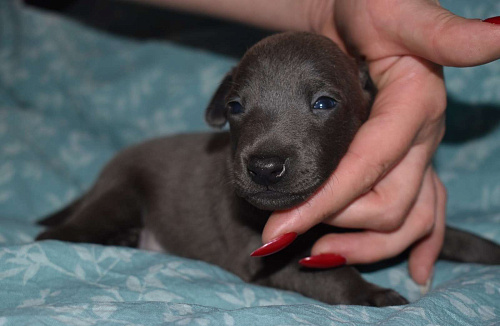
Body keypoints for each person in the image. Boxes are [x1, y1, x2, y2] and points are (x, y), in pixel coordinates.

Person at [139, 0, 500, 287]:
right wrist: (364, 296)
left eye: (323, 103)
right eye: (237, 107)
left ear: (368, 101)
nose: (265, 158)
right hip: (140, 184)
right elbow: (270, 262)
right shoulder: (222, 194)